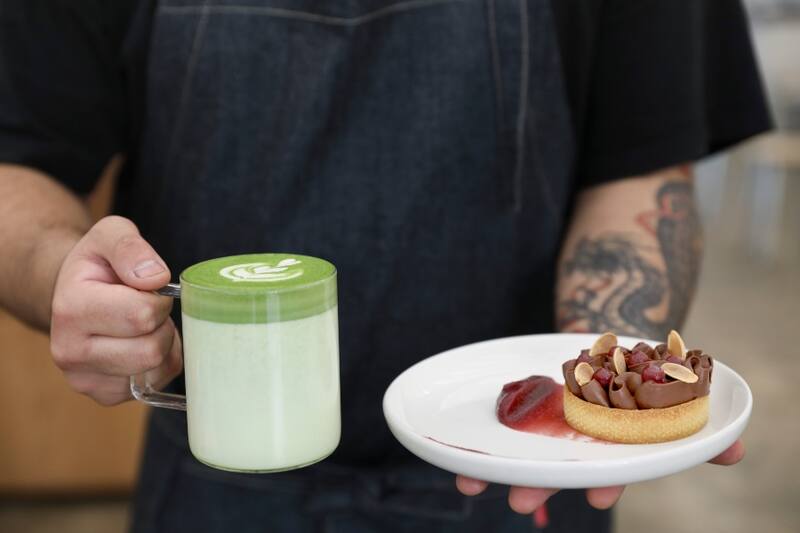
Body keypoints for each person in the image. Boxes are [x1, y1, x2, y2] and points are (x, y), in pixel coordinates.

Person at [0, 1, 769, 531]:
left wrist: (606, 393)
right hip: (216, 473)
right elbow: (18, 162)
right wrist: (66, 273)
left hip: (521, 473)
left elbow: (639, 166)